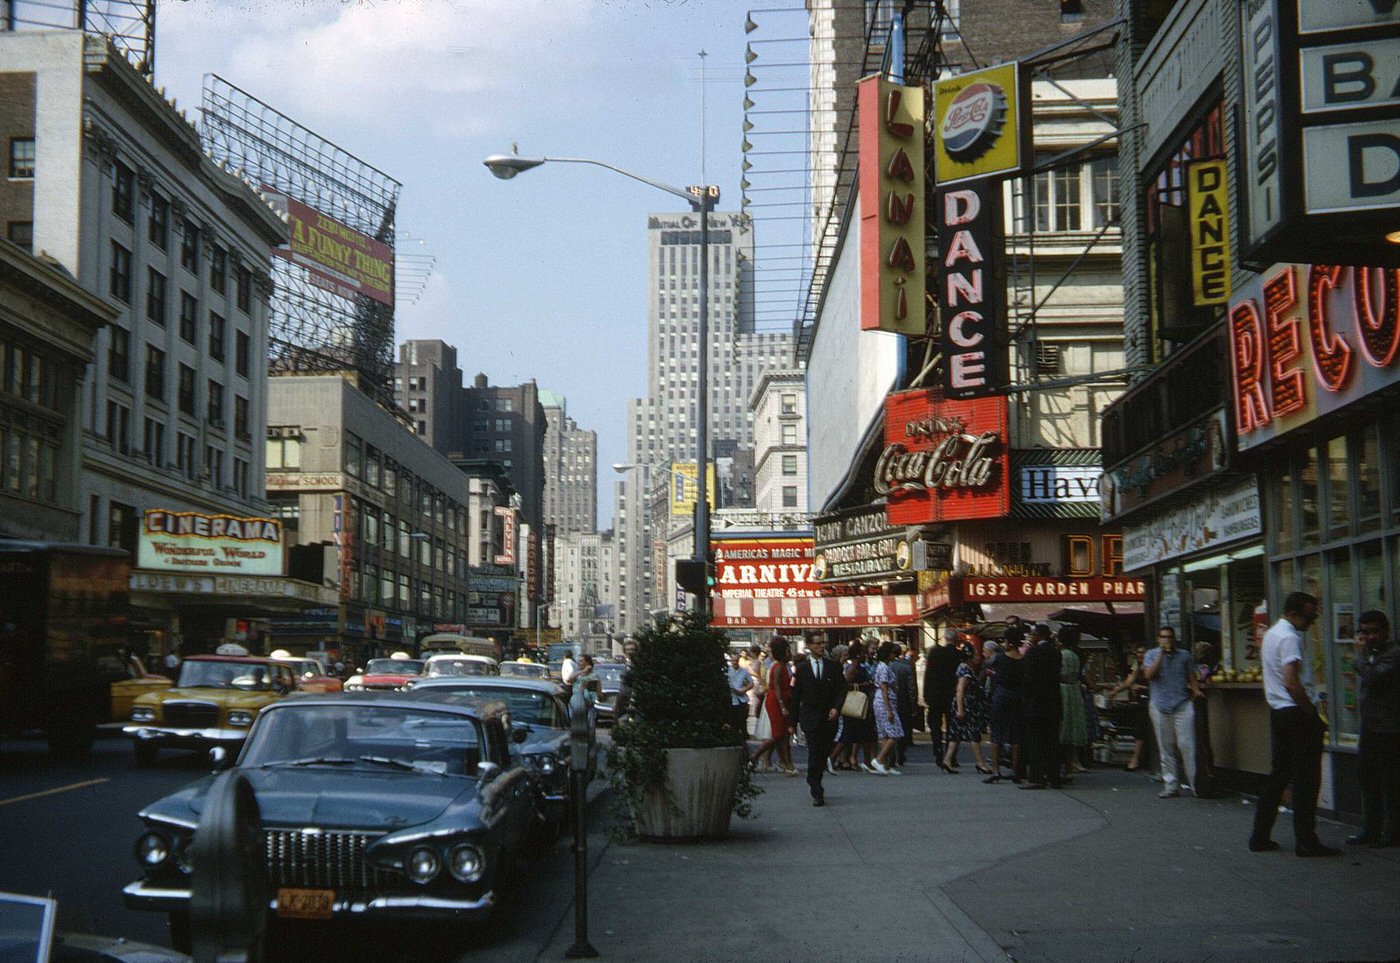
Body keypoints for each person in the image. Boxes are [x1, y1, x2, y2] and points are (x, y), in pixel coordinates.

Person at [1249, 592, 1340, 857]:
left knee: (1279, 774)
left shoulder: (1272, 634)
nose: (1313, 620)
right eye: (1310, 614)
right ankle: (1306, 840)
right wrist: (1310, 710)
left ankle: (1260, 835)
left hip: (1278, 711)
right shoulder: (1289, 638)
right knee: (1307, 778)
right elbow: (1291, 681)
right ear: (1295, 613)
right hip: (1295, 712)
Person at [1350, 610, 1399, 847]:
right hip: (1370, 727)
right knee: (1368, 779)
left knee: (1391, 782)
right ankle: (1370, 830)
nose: (1369, 637)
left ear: (1385, 632)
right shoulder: (1371, 654)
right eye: (1364, 632)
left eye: (1374, 632)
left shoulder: (1394, 654)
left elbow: (1373, 678)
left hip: (1389, 729)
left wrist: (1359, 657)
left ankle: (1392, 833)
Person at [1142, 626, 1201, 798]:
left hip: (1181, 703)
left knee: (1186, 744)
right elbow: (1149, 675)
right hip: (1160, 704)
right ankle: (1171, 784)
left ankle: (1195, 784)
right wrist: (1161, 655)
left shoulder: (1184, 655)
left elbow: (1191, 677)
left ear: (1174, 639)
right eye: (1163, 637)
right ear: (1158, 639)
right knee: (1165, 746)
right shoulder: (1151, 655)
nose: (1167, 640)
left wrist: (1196, 691)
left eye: (1169, 637)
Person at [790, 636, 845, 806]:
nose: (822, 646)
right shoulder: (801, 669)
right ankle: (815, 786)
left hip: (829, 716)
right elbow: (795, 696)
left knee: (824, 751)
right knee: (814, 750)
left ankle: (817, 775)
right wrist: (792, 723)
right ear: (809, 646)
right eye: (818, 643)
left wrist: (837, 707)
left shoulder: (833, 667)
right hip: (810, 716)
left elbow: (842, 689)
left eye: (823, 643)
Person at [1022, 622, 1064, 790]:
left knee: (1036, 741)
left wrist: (1026, 696)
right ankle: (1054, 776)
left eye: (1032, 634)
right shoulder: (1056, 653)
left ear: (1038, 636)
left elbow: (1028, 679)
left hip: (1036, 702)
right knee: (1052, 741)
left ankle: (1037, 776)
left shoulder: (1033, 653)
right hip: (1053, 701)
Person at [749, 637, 797, 776]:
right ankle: (755, 755)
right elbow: (776, 687)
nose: (790, 653)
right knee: (777, 734)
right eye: (788, 651)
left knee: (782, 734)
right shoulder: (778, 667)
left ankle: (787, 764)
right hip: (776, 701)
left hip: (779, 700)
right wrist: (782, 705)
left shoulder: (780, 666)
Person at [943, 643, 991, 775]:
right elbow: (960, 689)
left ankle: (947, 760)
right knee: (974, 734)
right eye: (975, 654)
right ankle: (980, 763)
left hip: (963, 704)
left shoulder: (964, 668)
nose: (978, 657)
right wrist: (961, 709)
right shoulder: (965, 670)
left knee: (956, 734)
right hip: (966, 705)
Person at [985, 634, 1026, 783]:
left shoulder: (1000, 659)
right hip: (1018, 696)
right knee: (1016, 735)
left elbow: (992, 675)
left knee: (996, 733)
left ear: (1008, 642)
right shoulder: (1023, 660)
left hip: (1001, 695)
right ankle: (1016, 771)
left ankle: (996, 770)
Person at [1106, 644, 1152, 772]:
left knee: (1141, 727)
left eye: (1143, 652)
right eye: (1138, 652)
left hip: (1151, 699)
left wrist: (1142, 688)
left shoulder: (1152, 666)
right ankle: (1139, 756)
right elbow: (1129, 681)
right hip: (1141, 700)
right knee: (1138, 725)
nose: (1140, 655)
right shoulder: (1138, 666)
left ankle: (1136, 758)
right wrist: (1115, 691)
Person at [924, 628, 962, 764]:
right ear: (956, 639)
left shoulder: (934, 653)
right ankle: (951, 755)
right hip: (952, 695)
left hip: (935, 694)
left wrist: (926, 694)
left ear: (945, 638)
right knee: (953, 725)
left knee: (935, 724)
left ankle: (938, 749)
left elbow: (928, 675)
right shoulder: (958, 655)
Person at [870, 641, 905, 775]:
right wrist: (889, 709)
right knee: (895, 732)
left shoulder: (881, 666)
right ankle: (879, 760)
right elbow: (884, 687)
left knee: (884, 734)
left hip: (880, 701)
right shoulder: (884, 667)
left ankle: (884, 764)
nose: (894, 656)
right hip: (885, 702)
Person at [1058, 627, 1088, 780]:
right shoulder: (1076, 655)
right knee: (1072, 727)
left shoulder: (1063, 655)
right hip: (1074, 691)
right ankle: (1071, 765)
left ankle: (1065, 766)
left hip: (1063, 690)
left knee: (1063, 728)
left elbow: (1061, 673)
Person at [890, 644, 917, 766]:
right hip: (903, 700)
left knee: (890, 729)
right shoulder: (907, 667)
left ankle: (891, 755)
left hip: (890, 700)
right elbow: (911, 688)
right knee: (903, 728)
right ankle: (901, 753)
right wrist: (913, 704)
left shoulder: (887, 666)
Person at [726, 649, 754, 738]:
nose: (734, 662)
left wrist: (744, 689)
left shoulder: (743, 671)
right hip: (731, 697)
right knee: (733, 719)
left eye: (736, 660)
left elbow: (751, 683)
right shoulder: (727, 670)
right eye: (733, 660)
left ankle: (743, 735)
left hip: (741, 698)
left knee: (742, 719)